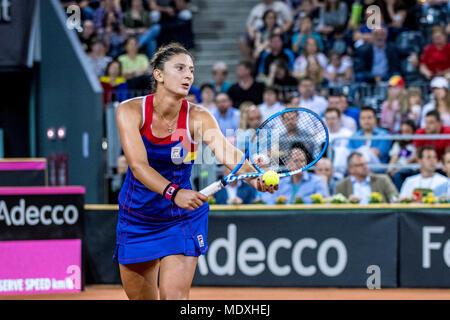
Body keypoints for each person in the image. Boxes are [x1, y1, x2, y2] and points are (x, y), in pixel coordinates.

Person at [114, 43, 275, 300]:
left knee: (174, 298)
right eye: (179, 68)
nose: (188, 75)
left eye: (191, 69)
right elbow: (138, 165)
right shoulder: (129, 111)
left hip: (181, 215)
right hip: (137, 216)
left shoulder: (199, 117)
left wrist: (254, 178)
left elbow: (228, 154)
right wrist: (173, 192)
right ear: (159, 74)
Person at [260, 146, 329, 204]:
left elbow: (323, 200)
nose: (299, 164)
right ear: (287, 164)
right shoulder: (280, 183)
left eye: (302, 161)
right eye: (295, 161)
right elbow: (268, 201)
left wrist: (297, 200)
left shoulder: (317, 181)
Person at [324, 107, 353, 178]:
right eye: (328, 119)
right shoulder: (320, 136)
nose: (331, 122)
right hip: (325, 165)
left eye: (333, 118)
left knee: (341, 150)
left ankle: (337, 175)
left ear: (339, 119)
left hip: (345, 166)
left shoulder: (349, 134)